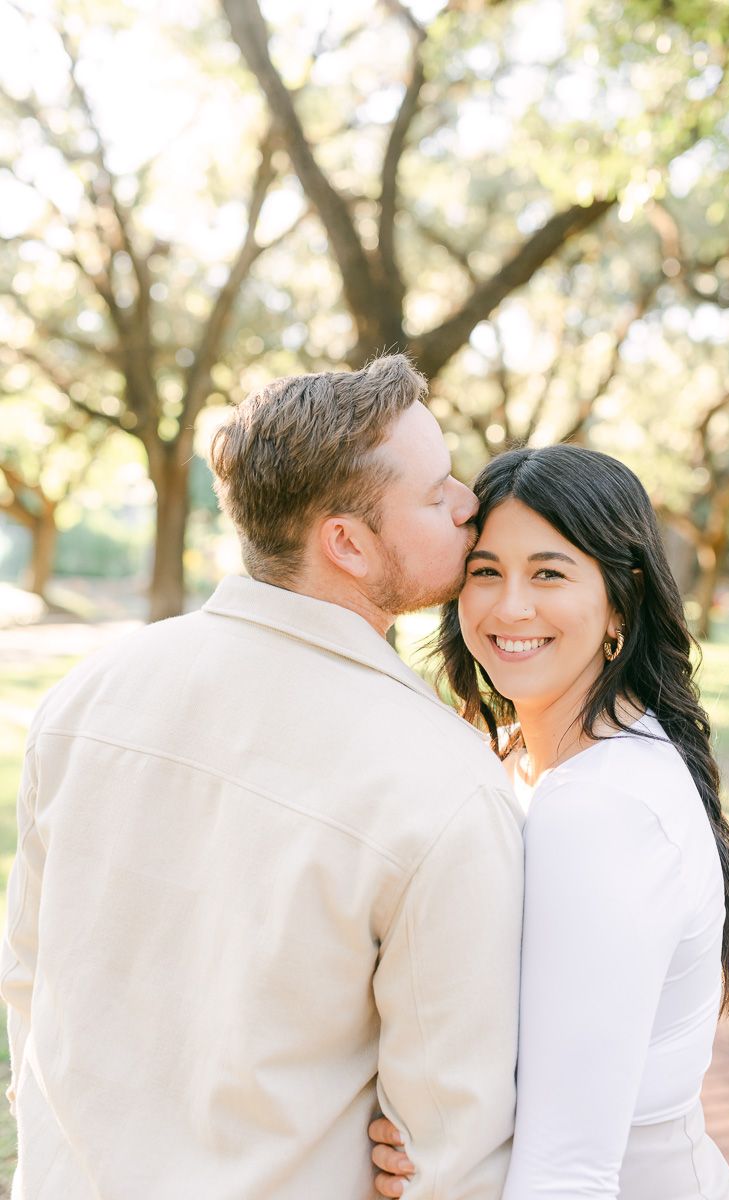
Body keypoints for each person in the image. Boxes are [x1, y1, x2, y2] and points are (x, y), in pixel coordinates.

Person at [0, 355, 525, 1199]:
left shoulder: (84, 696)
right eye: (436, 494)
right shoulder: (446, 786)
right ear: (346, 544)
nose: (471, 503)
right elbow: (452, 1153)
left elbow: (25, 982)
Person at [370, 444, 729, 1200]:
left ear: (621, 597)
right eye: (486, 572)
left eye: (549, 572)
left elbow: (568, 1173)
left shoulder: (601, 810)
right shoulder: (532, 759)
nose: (510, 607)